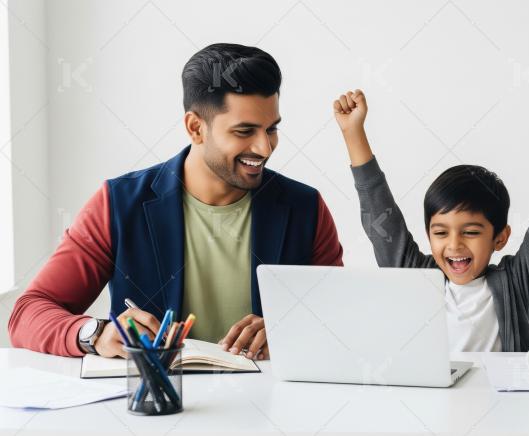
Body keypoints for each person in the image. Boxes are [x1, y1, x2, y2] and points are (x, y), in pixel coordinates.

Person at [8, 43, 344, 360]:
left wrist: (290, 331)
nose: (264, 148)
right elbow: (28, 314)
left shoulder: (306, 208)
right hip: (159, 409)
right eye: (244, 132)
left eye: (271, 129)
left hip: (273, 410)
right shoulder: (119, 202)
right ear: (196, 128)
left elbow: (342, 322)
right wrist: (97, 333)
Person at [333, 89, 529, 351]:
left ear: (500, 238)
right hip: (431, 396)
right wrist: (352, 132)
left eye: (470, 232)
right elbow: (382, 222)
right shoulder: (417, 278)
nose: (454, 244)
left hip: (496, 396)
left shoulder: (516, 284)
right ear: (428, 235)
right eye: (440, 233)